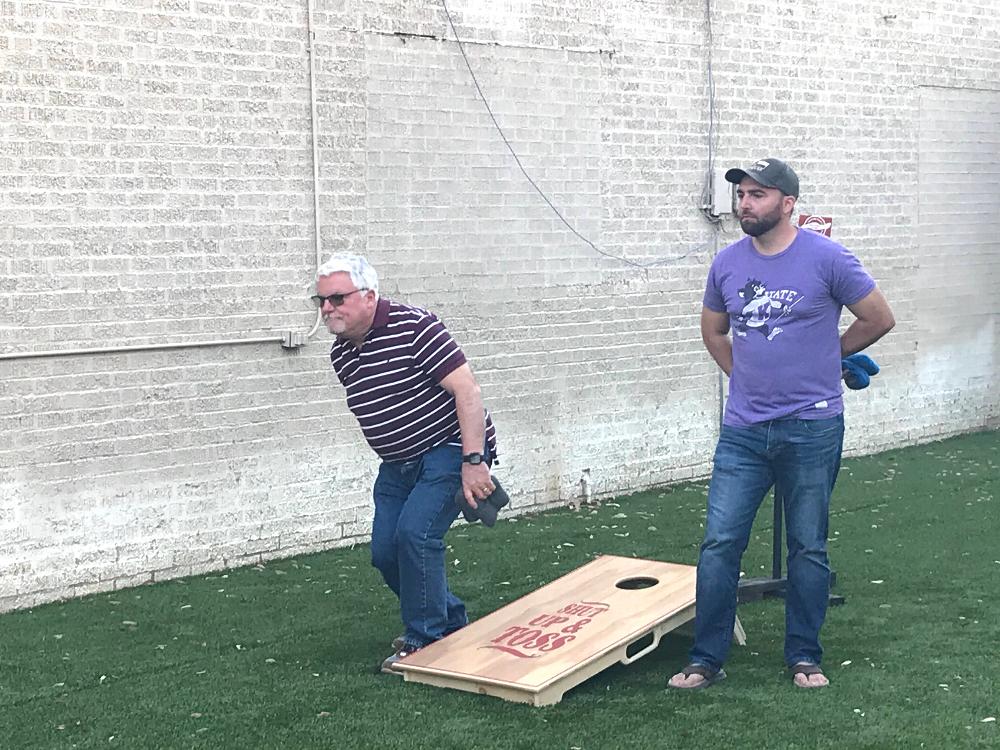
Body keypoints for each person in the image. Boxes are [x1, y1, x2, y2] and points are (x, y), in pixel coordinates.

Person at [668, 158, 895, 690]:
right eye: (741, 194)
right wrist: (741, 374)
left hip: (812, 427)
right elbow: (714, 330)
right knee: (720, 543)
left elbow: (879, 317)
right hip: (744, 431)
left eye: (757, 195)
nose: (744, 203)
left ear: (787, 203)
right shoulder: (726, 263)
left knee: (808, 544)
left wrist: (828, 357)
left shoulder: (828, 258)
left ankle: (804, 656)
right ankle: (706, 658)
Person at [313, 254, 498, 674]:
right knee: (385, 551)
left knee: (416, 535)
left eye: (337, 298)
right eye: (321, 300)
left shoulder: (416, 327)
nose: (327, 309)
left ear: (369, 296)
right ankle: (448, 619)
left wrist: (474, 461)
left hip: (448, 449)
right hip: (397, 465)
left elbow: (467, 392)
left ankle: (425, 640)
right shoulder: (342, 353)